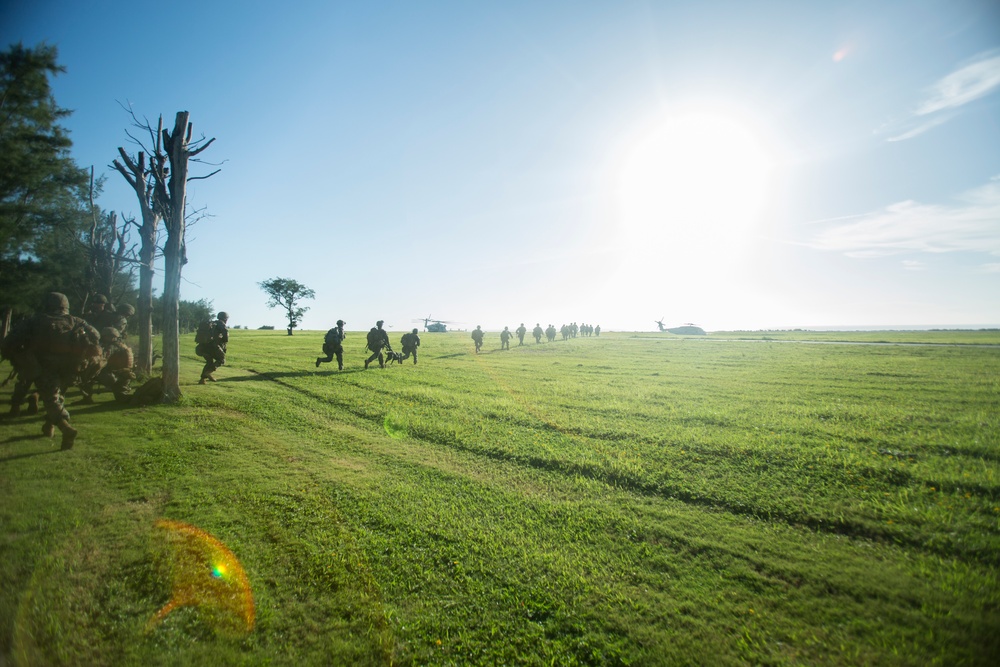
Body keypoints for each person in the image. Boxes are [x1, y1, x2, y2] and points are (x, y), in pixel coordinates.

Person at [2, 292, 100, 449]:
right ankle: (49, 427)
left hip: (44, 367)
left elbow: (11, 340)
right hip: (71, 368)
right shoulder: (76, 321)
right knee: (57, 396)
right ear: (66, 305)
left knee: (51, 400)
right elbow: (96, 335)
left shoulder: (35, 321)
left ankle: (66, 428)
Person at [198, 311, 229, 384]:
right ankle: (208, 373)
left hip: (203, 346)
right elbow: (226, 336)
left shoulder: (212, 323)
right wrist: (223, 340)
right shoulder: (221, 324)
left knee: (209, 362)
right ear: (225, 318)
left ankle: (202, 380)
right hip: (213, 346)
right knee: (222, 360)